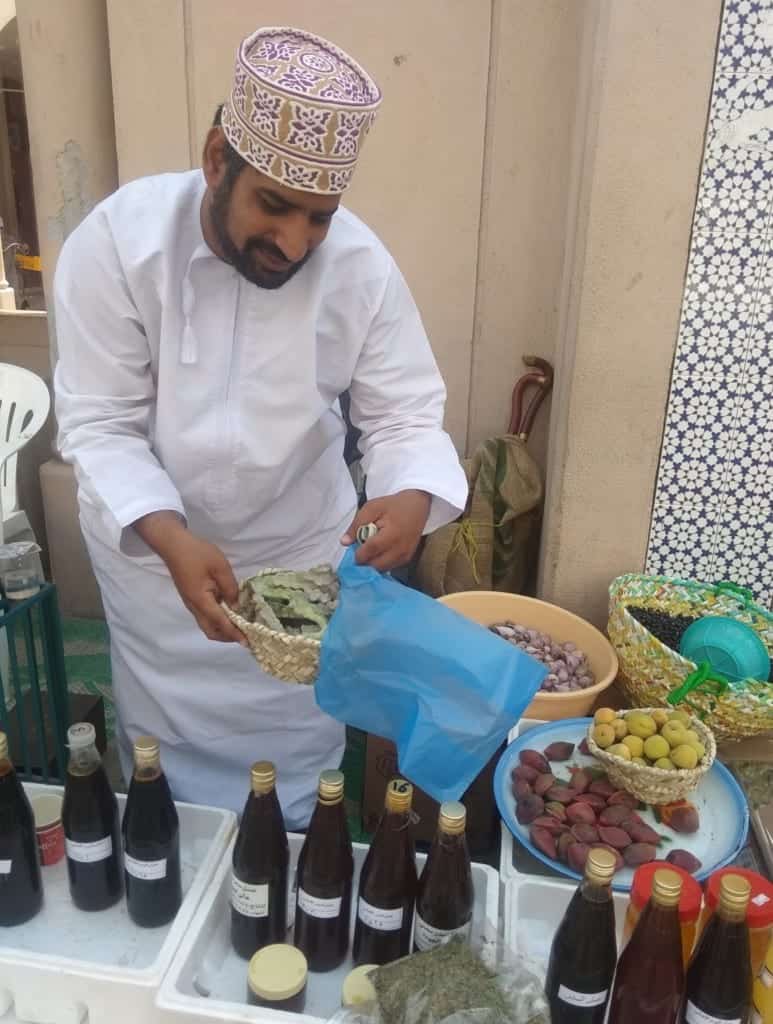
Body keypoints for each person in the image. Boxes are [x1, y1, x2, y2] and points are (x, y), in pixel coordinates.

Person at [53, 26, 467, 827]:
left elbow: (404, 409)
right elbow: (100, 424)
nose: (293, 243)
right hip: (154, 561)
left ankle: (294, 852)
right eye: (273, 207)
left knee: (294, 762)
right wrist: (170, 538)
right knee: (160, 760)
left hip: (295, 559)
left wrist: (411, 493)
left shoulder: (359, 267)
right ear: (217, 159)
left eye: (318, 218)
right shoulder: (117, 245)